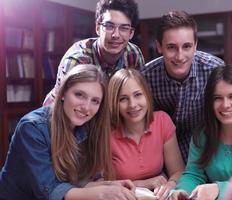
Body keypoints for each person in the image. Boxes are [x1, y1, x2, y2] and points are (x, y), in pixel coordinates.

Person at [0, 64, 136, 200]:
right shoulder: (32, 127)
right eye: (79, 95)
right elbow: (50, 191)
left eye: (95, 101)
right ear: (63, 92)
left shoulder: (90, 125)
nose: (86, 108)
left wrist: (109, 186)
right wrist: (102, 193)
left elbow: (79, 184)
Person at [169, 65, 232, 200]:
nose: (225, 105)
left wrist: (218, 189)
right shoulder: (201, 135)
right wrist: (182, 191)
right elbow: (193, 174)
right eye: (218, 98)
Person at [141, 10, 224, 163]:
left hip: (208, 150)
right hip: (160, 156)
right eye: (171, 47)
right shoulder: (145, 77)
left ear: (196, 45)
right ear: (159, 46)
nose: (180, 56)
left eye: (187, 46)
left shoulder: (215, 70)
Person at [43, 0, 144, 105]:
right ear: (98, 28)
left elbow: (137, 95)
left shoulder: (134, 54)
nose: (116, 35)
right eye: (109, 26)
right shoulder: (78, 59)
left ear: (131, 33)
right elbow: (70, 109)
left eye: (124, 28)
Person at [108, 69, 185, 200]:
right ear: (114, 103)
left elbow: (178, 171)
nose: (132, 105)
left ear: (147, 96)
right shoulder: (106, 134)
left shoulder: (162, 121)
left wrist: (170, 184)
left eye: (138, 95)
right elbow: (101, 185)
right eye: (123, 99)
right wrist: (143, 184)